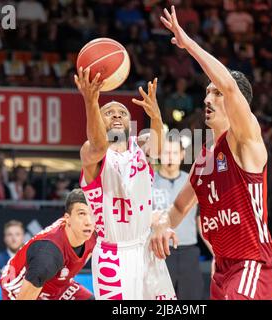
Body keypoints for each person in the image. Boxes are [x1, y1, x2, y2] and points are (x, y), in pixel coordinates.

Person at [151, 6, 272, 300]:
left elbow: (231, 87)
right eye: (207, 92)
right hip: (221, 270)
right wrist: (161, 224)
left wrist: (189, 44)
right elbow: (179, 208)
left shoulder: (246, 141)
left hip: (252, 263)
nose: (208, 98)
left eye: (216, 93)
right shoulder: (204, 160)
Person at [75, 66, 175, 300]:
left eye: (122, 112)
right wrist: (91, 101)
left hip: (146, 248)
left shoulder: (140, 145)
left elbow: (159, 148)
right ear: (98, 121)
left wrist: (156, 115)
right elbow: (99, 145)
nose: (118, 115)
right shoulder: (91, 153)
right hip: (113, 255)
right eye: (109, 113)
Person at [0, 189, 96, 300]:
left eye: (92, 214)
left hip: (57, 284)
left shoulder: (96, 230)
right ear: (67, 219)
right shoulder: (47, 255)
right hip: (21, 287)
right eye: (81, 214)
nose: (88, 221)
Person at [152, 138, 206, 300]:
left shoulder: (192, 183)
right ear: (160, 155)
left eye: (174, 153)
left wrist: (217, 253)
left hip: (188, 253)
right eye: (166, 152)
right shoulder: (148, 181)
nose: (170, 157)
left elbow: (201, 221)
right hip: (158, 252)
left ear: (182, 155)